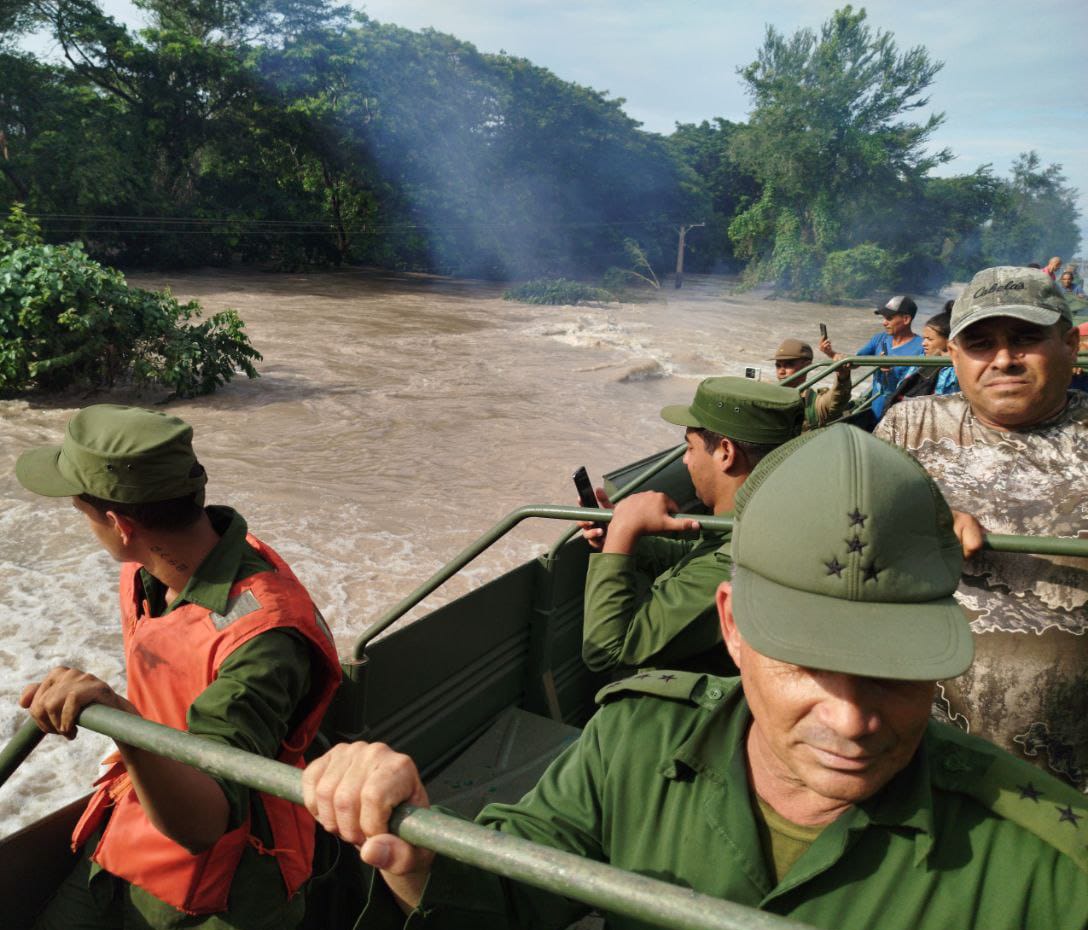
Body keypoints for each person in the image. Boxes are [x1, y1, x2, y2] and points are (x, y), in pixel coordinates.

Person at [301, 426, 1088, 930]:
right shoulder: (632, 745)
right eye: (808, 664)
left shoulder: (1049, 867)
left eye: (893, 673)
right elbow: (509, 896)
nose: (851, 720)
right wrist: (420, 850)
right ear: (734, 627)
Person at [16, 405, 342, 929]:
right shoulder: (156, 567)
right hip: (134, 817)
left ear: (121, 525)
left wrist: (120, 719)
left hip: (225, 881)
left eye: (83, 511)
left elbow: (204, 823)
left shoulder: (263, 638)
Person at [876, 266, 1088, 791]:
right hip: (916, 758)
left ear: (1070, 343)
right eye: (980, 343)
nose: (1003, 359)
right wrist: (913, 513)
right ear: (952, 355)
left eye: (1024, 339)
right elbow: (831, 531)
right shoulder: (908, 426)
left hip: (1067, 782)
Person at [579, 377, 802, 674]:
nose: (685, 460)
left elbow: (606, 652)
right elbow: (698, 554)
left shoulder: (733, 563)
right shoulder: (764, 517)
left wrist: (623, 533)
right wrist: (618, 536)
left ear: (725, 452)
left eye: (689, 447)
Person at [818, 295, 923, 423]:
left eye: (889, 318)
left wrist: (891, 373)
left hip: (901, 415)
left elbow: (918, 388)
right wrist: (831, 354)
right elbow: (854, 363)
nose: (884, 322)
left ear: (906, 319)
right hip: (875, 411)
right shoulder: (879, 339)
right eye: (884, 318)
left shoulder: (922, 348)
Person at [770, 338, 852, 429]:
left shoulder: (812, 404)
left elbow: (836, 400)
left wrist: (843, 376)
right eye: (778, 366)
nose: (781, 371)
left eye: (789, 365)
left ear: (807, 366)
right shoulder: (769, 393)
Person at [889, 305, 960, 402]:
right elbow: (902, 386)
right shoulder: (921, 361)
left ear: (949, 341)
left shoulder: (959, 367)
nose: (923, 343)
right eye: (924, 338)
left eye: (930, 339)